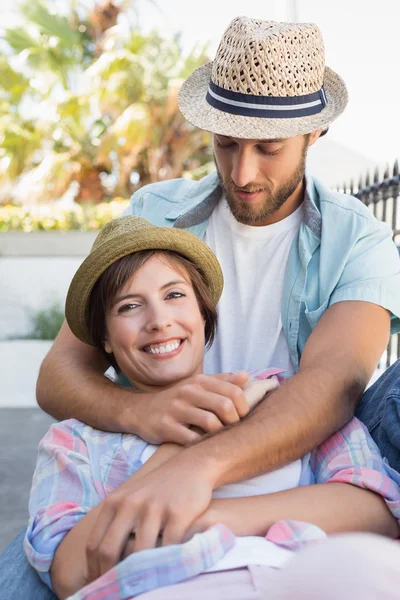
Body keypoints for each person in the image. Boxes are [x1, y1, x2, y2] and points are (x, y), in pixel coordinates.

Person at [1, 15, 400, 599]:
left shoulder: (358, 239)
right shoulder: (154, 210)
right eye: (227, 144)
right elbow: (61, 371)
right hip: (139, 462)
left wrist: (198, 469)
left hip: (291, 461)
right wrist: (144, 414)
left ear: (316, 133)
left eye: (268, 149)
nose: (243, 173)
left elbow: (334, 384)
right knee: (26, 581)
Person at [24, 215, 400, 600]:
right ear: (103, 338)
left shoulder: (277, 397)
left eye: (174, 295)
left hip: (299, 582)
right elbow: (69, 571)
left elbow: (377, 511)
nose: (159, 321)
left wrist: (203, 519)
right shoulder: (75, 442)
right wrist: (186, 439)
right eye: (130, 306)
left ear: (202, 313)